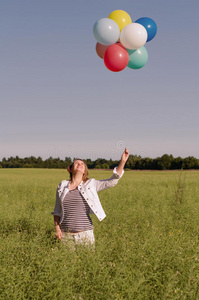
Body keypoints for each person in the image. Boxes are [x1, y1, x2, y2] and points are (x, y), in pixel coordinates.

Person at [52, 148, 129, 247]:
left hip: (85, 234)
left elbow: (112, 181)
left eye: (82, 164)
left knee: (86, 261)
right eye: (77, 163)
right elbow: (57, 210)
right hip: (65, 235)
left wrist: (122, 161)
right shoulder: (62, 186)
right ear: (69, 169)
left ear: (85, 171)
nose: (80, 164)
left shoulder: (90, 184)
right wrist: (57, 229)